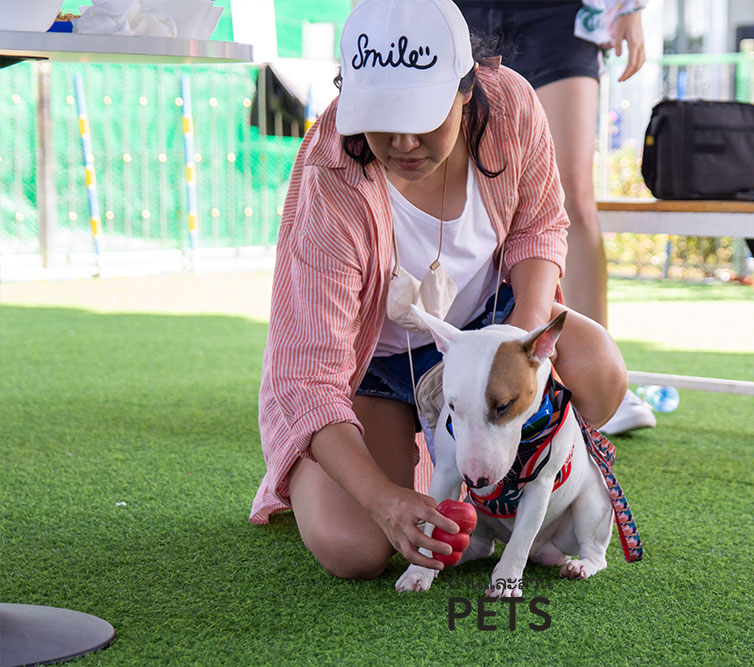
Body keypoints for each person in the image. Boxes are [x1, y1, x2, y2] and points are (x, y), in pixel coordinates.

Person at [249, 0, 628, 581]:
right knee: (354, 548)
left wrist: (519, 346)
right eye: (380, 114)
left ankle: (519, 475)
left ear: (466, 89)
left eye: (423, 113)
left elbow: (539, 227)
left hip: (484, 333)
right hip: (373, 372)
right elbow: (310, 377)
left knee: (599, 369)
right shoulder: (330, 178)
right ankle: (340, 458)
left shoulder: (511, 104)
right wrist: (384, 501)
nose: (403, 140)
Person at [454, 0, 656, 435]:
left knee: (573, 194)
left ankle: (594, 372)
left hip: (557, 13)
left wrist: (630, 7)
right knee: (457, 180)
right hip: (455, 9)